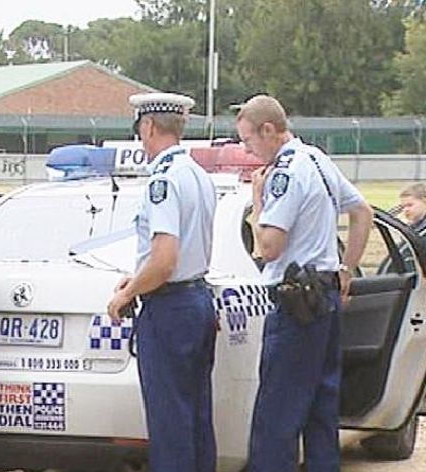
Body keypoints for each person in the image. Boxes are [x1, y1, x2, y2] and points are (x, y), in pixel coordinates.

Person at [237, 95, 373, 471]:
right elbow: (363, 212)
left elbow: (269, 247)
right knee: (320, 411)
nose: (249, 152)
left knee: (276, 416)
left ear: (268, 130)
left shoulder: (283, 173)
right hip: (325, 294)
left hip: (295, 303)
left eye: (249, 141)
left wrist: (258, 203)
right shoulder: (317, 159)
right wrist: (347, 270)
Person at [106, 92, 217, 471]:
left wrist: (128, 292)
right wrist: (142, 276)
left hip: (169, 307)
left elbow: (165, 260)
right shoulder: (197, 175)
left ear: (148, 126)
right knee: (196, 416)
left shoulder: (164, 181)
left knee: (170, 421)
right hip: (197, 299)